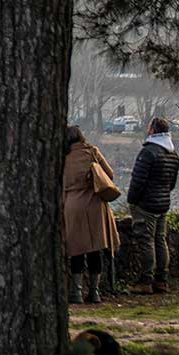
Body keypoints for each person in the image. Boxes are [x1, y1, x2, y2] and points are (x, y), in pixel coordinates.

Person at [63, 124, 121, 304]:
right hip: (95, 205)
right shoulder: (92, 152)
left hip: (72, 205)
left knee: (76, 250)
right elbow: (109, 174)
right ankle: (95, 292)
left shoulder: (63, 157)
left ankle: (77, 292)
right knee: (95, 249)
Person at [124, 116, 179, 294]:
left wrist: (132, 200)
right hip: (163, 203)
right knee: (160, 240)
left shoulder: (148, 152)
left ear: (153, 130)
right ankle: (161, 279)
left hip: (146, 204)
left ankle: (146, 281)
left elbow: (138, 180)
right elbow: (171, 183)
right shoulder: (173, 154)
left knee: (146, 241)